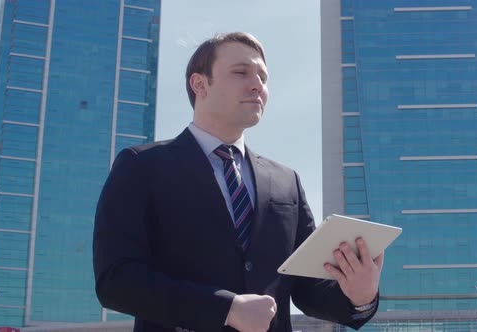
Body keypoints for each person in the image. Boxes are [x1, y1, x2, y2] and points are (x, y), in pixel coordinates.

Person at [93, 32, 384, 332]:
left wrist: (358, 296)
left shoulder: (287, 182)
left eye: (263, 77)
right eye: (241, 72)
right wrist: (224, 309)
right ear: (200, 84)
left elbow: (305, 289)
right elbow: (116, 279)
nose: (258, 85)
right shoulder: (141, 166)